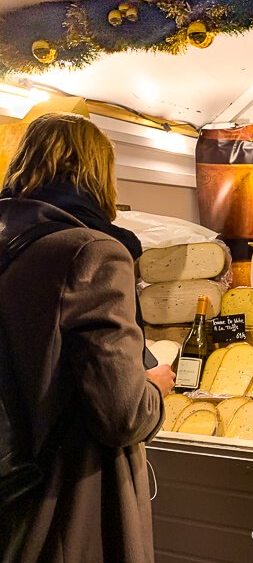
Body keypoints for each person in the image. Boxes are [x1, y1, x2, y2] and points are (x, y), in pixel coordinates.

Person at [0, 113, 175, 562]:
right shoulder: (91, 252)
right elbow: (122, 414)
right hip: (62, 500)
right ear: (100, 172)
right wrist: (154, 390)